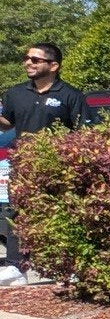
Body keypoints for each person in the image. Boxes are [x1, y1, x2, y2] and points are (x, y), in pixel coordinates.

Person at [0, 43, 87, 285]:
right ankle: (17, 268)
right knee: (18, 214)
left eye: (35, 60)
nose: (28, 62)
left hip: (58, 167)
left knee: (64, 214)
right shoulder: (15, 94)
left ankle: (69, 268)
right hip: (23, 165)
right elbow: (8, 123)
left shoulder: (71, 95)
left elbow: (85, 132)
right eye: (26, 58)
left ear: (53, 66)